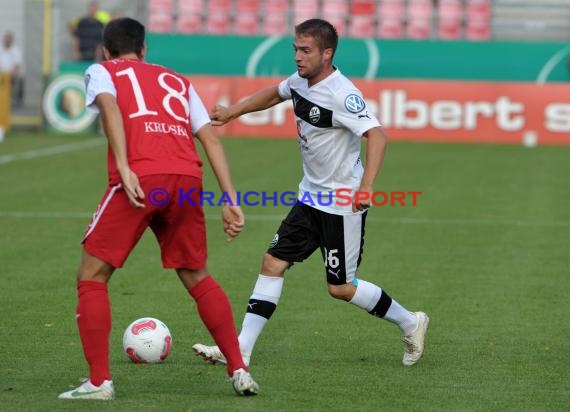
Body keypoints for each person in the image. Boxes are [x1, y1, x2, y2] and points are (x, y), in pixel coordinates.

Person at [193, 18, 429, 371]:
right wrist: (232, 112)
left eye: (306, 51)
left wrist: (366, 188)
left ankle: (411, 321)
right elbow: (275, 92)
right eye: (295, 50)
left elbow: (377, 134)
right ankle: (241, 350)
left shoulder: (341, 93)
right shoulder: (301, 81)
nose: (298, 58)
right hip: (309, 199)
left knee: (340, 289)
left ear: (327, 53)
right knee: (272, 262)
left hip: (341, 204)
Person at [58, 17, 258, 400]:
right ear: (145, 49)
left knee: (92, 274)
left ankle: (99, 382)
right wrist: (230, 200)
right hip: (185, 178)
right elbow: (211, 141)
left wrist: (126, 165)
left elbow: (109, 108)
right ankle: (239, 370)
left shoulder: (102, 70)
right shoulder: (177, 80)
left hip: (141, 179)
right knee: (196, 273)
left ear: (106, 49)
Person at [0, 31, 24, 107]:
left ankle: (11, 102)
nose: (7, 40)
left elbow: (17, 66)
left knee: (17, 80)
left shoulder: (16, 50)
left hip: (11, 75)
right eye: (6, 38)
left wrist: (13, 74)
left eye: (9, 38)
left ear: (12, 40)